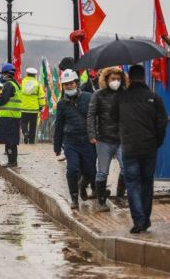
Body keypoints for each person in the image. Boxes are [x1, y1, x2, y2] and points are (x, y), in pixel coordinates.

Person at [111, 64, 167, 233]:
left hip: (129, 148)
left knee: (133, 184)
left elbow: (113, 117)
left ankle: (139, 221)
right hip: (149, 147)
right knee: (146, 183)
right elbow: (162, 122)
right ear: (143, 77)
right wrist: (157, 141)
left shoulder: (121, 97)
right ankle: (145, 218)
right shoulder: (154, 97)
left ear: (129, 78)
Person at [53, 69, 96, 210]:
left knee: (90, 171)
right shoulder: (61, 104)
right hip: (71, 142)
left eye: (71, 83)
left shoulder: (89, 98)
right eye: (66, 85)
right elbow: (58, 126)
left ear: (76, 83)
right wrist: (57, 147)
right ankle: (74, 198)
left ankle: (82, 185)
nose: (69, 86)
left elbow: (96, 118)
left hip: (88, 142)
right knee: (72, 169)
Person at [86, 67, 127, 212]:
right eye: (112, 79)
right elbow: (91, 115)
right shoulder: (98, 95)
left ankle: (120, 196)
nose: (115, 82)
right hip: (103, 139)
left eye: (118, 79)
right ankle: (101, 200)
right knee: (103, 171)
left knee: (126, 168)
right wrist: (92, 135)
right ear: (106, 80)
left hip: (122, 139)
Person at [0, 63, 22, 168]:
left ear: (7, 74)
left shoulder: (9, 85)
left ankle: (11, 161)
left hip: (9, 117)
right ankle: (13, 161)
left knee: (9, 141)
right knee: (12, 140)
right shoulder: (16, 84)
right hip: (14, 116)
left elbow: (4, 99)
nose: (2, 76)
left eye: (3, 74)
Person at [20, 67, 46, 144]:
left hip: (23, 107)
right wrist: (41, 106)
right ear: (35, 75)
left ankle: (25, 133)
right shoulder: (38, 84)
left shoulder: (22, 82)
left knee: (23, 123)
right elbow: (41, 96)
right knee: (33, 125)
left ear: (27, 74)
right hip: (34, 108)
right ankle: (31, 141)